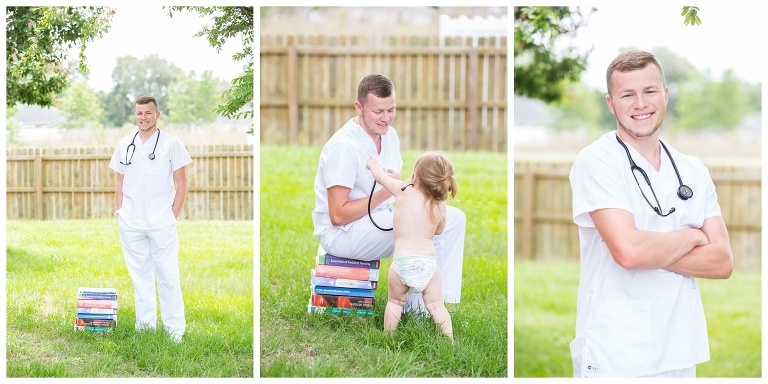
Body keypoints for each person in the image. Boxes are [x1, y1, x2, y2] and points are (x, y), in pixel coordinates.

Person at [568, 50, 733, 378]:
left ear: (666, 95)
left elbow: (722, 262)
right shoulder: (597, 161)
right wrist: (692, 236)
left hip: (680, 349)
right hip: (616, 350)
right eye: (627, 94)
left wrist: (649, 250)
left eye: (650, 91)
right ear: (611, 104)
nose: (640, 104)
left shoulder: (693, 170)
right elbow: (629, 253)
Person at [312, 74, 466, 311]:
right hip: (343, 233)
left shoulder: (389, 135)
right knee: (425, 225)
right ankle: (420, 311)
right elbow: (337, 215)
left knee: (453, 217)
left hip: (378, 219)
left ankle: (436, 302)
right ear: (359, 107)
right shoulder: (343, 148)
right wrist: (388, 191)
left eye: (391, 110)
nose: (386, 119)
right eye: (378, 112)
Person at [109, 95, 192, 342]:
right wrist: (120, 213)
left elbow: (182, 183)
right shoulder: (125, 144)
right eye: (139, 113)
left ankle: (174, 331)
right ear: (134, 115)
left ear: (158, 114)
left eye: (148, 113)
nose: (143, 118)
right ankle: (145, 327)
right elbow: (120, 182)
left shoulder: (171, 144)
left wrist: (172, 216)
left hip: (161, 222)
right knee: (140, 278)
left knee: (168, 275)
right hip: (131, 222)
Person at [366, 152, 456, 342]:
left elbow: (380, 177)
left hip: (402, 262)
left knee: (395, 302)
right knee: (436, 306)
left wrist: (373, 165)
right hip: (428, 264)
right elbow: (439, 231)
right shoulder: (440, 206)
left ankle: (388, 337)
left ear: (414, 177)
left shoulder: (403, 191)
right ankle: (449, 341)